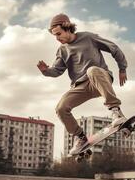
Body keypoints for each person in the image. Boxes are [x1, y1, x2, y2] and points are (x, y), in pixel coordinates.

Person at [37, 13, 128, 155]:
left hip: (99, 78)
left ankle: (116, 112)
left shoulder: (88, 37)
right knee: (61, 108)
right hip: (81, 86)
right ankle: (80, 137)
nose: (57, 38)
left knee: (92, 70)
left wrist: (122, 68)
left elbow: (113, 47)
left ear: (68, 28)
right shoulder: (62, 50)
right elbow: (57, 71)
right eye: (54, 36)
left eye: (59, 34)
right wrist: (46, 71)